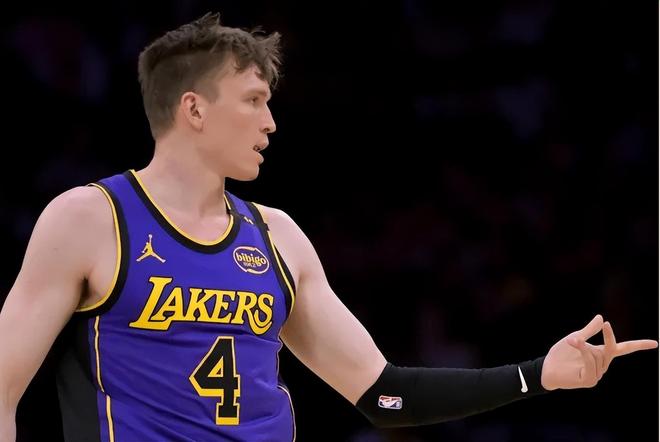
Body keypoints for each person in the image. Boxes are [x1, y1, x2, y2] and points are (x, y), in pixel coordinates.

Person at [0, 12, 656, 442]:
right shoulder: (91, 218)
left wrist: (538, 375)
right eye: (254, 101)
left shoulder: (278, 237)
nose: (270, 123)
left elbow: (384, 394)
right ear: (193, 109)